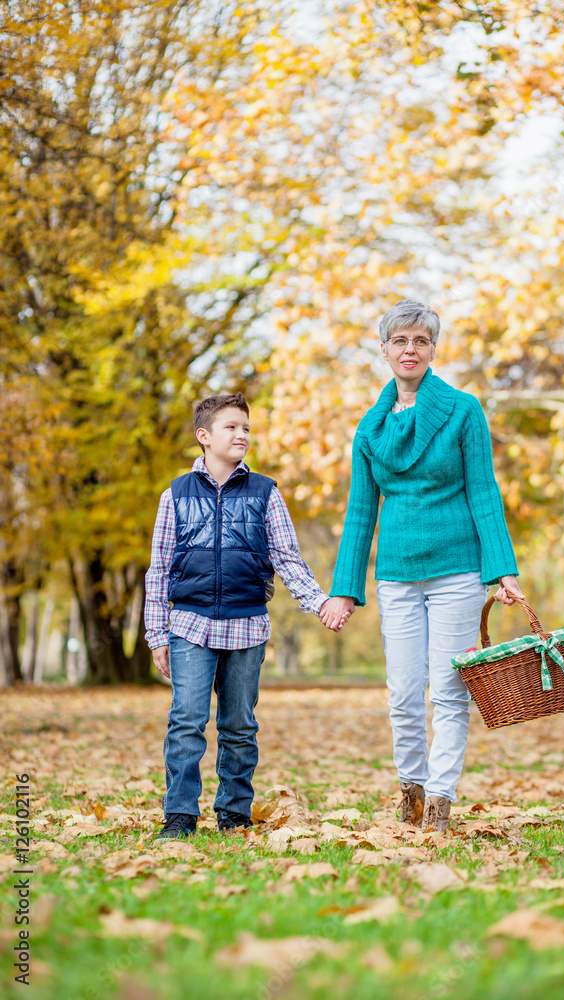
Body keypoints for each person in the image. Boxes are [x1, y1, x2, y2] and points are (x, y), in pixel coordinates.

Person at [321, 300, 523, 832]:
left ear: (433, 349)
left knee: (449, 691)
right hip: (396, 576)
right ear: (384, 350)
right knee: (404, 694)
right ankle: (409, 788)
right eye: (400, 341)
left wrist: (502, 570)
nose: (410, 350)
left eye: (421, 341)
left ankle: (439, 801)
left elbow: (484, 492)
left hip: (457, 570)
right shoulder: (369, 430)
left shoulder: (463, 410)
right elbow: (360, 514)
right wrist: (344, 589)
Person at [145, 392, 348, 839]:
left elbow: (288, 558)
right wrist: (156, 634)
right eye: (231, 427)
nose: (241, 435)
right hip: (189, 626)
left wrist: (319, 603)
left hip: (247, 626)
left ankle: (233, 812)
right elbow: (159, 568)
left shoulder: (265, 493)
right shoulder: (174, 495)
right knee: (186, 722)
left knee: (239, 725)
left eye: (246, 428)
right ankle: (179, 815)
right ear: (204, 436)